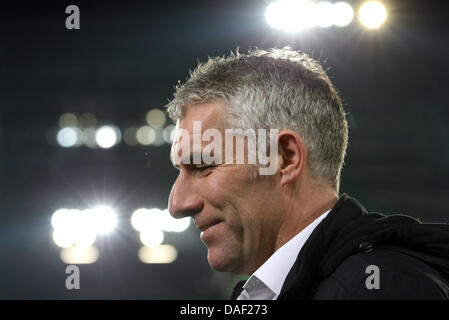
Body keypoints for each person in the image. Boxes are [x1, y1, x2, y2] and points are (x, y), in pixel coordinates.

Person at [166, 47, 449, 299]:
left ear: (286, 158)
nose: (177, 204)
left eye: (203, 166)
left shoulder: (377, 288)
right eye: (180, 171)